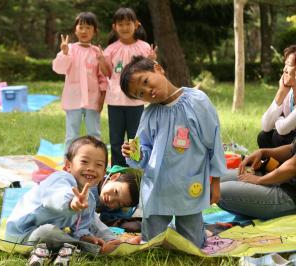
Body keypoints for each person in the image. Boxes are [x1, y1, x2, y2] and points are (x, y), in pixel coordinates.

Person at [120, 56, 227, 248]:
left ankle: (197, 231)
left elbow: (214, 143)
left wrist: (216, 181)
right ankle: (157, 232)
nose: (147, 92)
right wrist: (133, 153)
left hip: (189, 185)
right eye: (140, 94)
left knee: (193, 245)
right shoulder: (150, 114)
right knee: (151, 243)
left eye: (145, 82)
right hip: (158, 189)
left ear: (158, 69)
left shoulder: (197, 101)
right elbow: (143, 153)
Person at [5, 136, 122, 265]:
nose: (91, 168)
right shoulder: (60, 179)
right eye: (84, 162)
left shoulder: (90, 199)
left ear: (104, 171)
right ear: (68, 165)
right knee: (47, 232)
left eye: (98, 165)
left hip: (51, 233)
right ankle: (89, 250)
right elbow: (55, 197)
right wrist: (71, 202)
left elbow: (83, 225)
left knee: (56, 234)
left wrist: (86, 237)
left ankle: (66, 248)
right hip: (23, 233)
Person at [98, 7, 157, 167]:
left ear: (136, 25)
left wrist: (152, 60)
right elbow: (108, 73)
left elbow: (150, 74)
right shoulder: (111, 49)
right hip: (115, 102)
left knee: (135, 138)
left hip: (136, 102)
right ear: (114, 27)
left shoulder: (145, 47)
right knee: (116, 139)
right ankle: (117, 169)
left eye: (128, 23)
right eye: (120, 24)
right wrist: (102, 61)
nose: (124, 27)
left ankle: (135, 168)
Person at [52, 12, 107, 152]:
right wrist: (64, 53)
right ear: (75, 30)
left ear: (95, 31)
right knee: (71, 135)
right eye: (81, 27)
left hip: (92, 100)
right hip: (73, 99)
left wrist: (101, 99)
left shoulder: (97, 52)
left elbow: (103, 78)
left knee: (94, 133)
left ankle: (95, 159)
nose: (84, 31)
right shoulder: (69, 49)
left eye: (88, 27)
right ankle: (68, 162)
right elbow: (59, 68)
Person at [218, 137, 296, 220]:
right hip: (284, 179)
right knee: (219, 179)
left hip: (290, 194)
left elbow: (292, 167)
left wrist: (258, 180)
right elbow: (291, 148)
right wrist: (263, 152)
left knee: (219, 191)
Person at [258, 44, 296, 148]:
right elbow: (265, 125)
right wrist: (281, 92)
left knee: (278, 137)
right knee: (263, 136)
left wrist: (278, 119)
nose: (284, 69)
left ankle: (286, 164)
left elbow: (282, 129)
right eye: (285, 64)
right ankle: (274, 164)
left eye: (289, 65)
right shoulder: (289, 92)